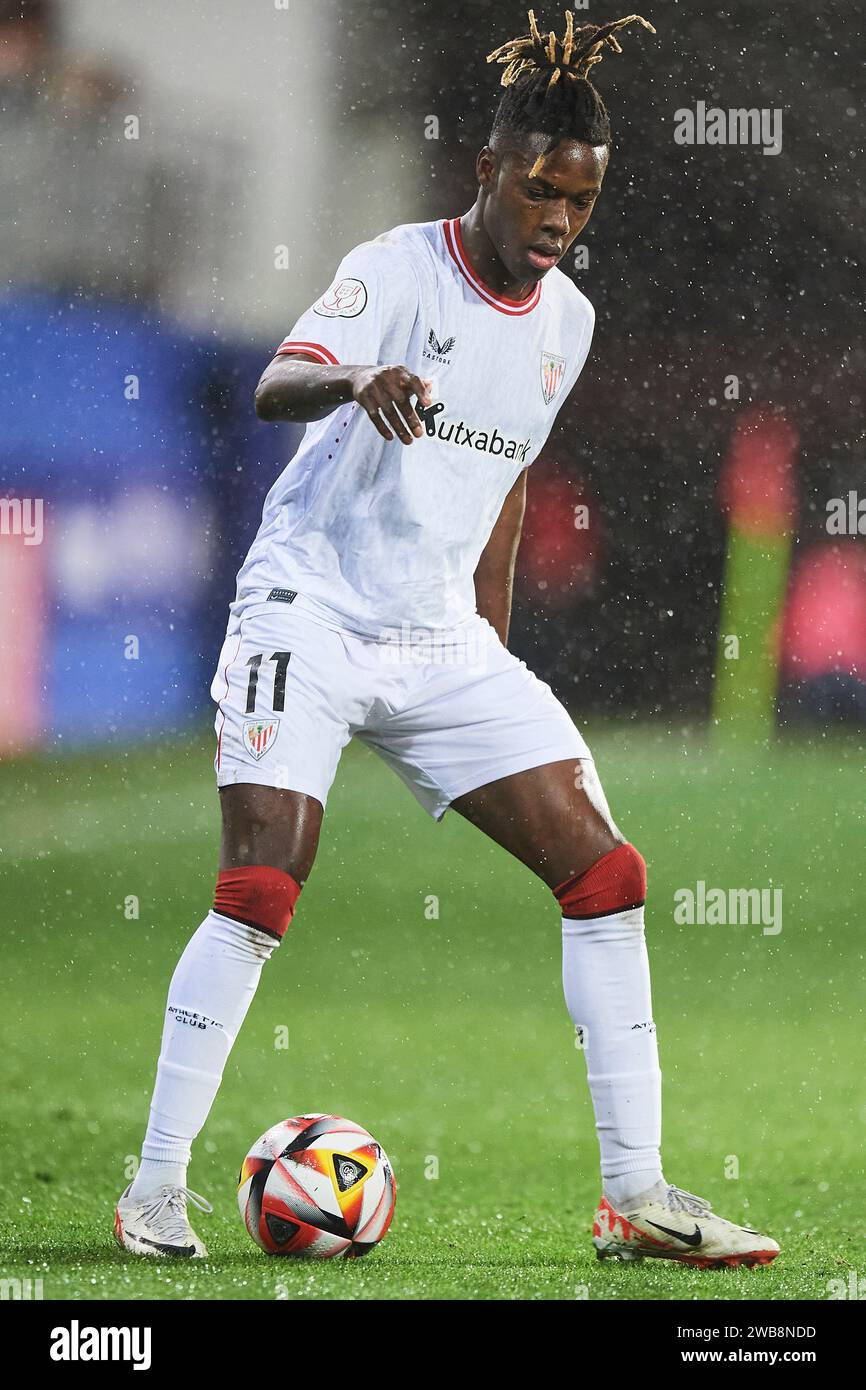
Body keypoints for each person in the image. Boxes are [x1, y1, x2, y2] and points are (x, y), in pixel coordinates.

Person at [115, 10, 779, 1268]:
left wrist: (491, 655)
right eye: (538, 190)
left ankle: (634, 1197)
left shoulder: (564, 324)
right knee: (261, 887)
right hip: (308, 608)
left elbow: (506, 486)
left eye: (577, 203)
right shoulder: (395, 269)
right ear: (486, 171)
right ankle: (154, 1189)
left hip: (438, 640)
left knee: (607, 876)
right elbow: (277, 379)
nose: (555, 219)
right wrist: (356, 379)